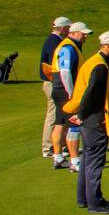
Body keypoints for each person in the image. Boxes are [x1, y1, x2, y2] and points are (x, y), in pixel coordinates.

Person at [64, 30, 109, 213]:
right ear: (108, 46)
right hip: (94, 120)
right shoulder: (100, 66)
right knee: (94, 162)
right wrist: (82, 115)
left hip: (89, 119)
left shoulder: (95, 62)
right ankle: (95, 203)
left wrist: (81, 115)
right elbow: (92, 94)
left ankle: (83, 198)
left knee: (87, 159)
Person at [49, 21, 92, 171]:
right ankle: (75, 161)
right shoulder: (68, 47)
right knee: (75, 123)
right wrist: (71, 92)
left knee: (60, 122)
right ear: (73, 33)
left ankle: (58, 157)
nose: (85, 36)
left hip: (58, 90)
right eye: (83, 33)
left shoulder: (70, 46)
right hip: (65, 91)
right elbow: (65, 72)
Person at [39, 16, 71, 158]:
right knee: (53, 115)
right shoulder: (55, 42)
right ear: (63, 28)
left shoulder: (54, 40)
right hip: (53, 83)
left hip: (54, 82)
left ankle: (61, 145)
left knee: (60, 114)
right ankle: (48, 147)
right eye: (68, 28)